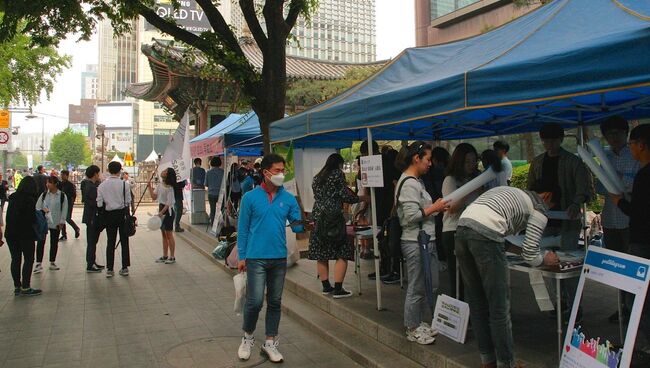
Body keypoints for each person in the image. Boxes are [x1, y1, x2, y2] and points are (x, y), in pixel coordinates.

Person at [456, 186, 559, 368]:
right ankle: (507, 363)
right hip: (486, 234)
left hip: (463, 228)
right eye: (551, 205)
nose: (548, 209)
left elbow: (499, 240)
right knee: (499, 308)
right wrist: (546, 258)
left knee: (478, 304)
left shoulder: (511, 193)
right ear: (547, 195)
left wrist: (520, 250)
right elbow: (531, 255)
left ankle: (487, 362)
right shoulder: (539, 208)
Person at [237, 154, 306, 363]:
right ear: (265, 172)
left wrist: (304, 223)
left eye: (282, 170)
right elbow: (243, 229)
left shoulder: (288, 198)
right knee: (255, 301)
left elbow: (297, 226)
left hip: (278, 258)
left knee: (275, 301)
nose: (281, 174)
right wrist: (242, 256)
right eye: (277, 171)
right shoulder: (250, 198)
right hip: (255, 257)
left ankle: (270, 342)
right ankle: (247, 337)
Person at [527, 122, 592, 313]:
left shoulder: (573, 161)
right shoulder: (538, 162)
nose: (549, 144)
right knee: (548, 264)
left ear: (561, 139)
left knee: (568, 265)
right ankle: (559, 303)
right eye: (546, 140)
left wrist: (575, 203)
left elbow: (583, 188)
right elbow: (530, 189)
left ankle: (575, 307)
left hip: (567, 221)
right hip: (545, 221)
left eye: (553, 140)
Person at [395, 141, 449, 345]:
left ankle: (418, 322)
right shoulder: (409, 183)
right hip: (416, 242)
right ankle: (412, 326)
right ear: (416, 158)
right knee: (417, 286)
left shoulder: (416, 181)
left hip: (425, 240)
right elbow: (411, 216)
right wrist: (434, 207)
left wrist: (436, 208)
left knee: (431, 283)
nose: (430, 164)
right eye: (428, 159)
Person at [596, 116, 639, 323]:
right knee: (617, 267)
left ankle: (636, 308)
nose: (613, 137)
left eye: (617, 133)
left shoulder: (635, 156)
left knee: (633, 266)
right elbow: (598, 187)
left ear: (626, 133)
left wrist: (621, 184)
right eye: (609, 134)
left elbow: (636, 186)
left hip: (630, 220)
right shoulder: (604, 156)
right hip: (610, 219)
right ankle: (623, 307)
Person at [611, 124, 650, 350]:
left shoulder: (644, 175)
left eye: (632, 144)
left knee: (639, 298)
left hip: (643, 242)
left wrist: (620, 202)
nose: (631, 149)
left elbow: (639, 212)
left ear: (641, 145)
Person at [309, 153, 363, 298]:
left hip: (318, 216)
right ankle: (338, 289)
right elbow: (344, 195)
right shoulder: (337, 174)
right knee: (342, 250)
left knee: (321, 251)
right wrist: (360, 198)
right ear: (339, 164)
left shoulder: (317, 177)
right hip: (333, 216)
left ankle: (326, 286)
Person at [441, 143, 480, 299]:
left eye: (474, 161)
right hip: (453, 231)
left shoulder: (476, 179)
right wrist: (470, 189)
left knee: (472, 275)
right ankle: (459, 312)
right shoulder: (450, 180)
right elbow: (450, 208)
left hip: (472, 230)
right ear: (459, 162)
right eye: (467, 162)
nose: (471, 165)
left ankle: (473, 311)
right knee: (457, 276)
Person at [5, 176, 42, 296]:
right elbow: (30, 219)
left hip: (10, 234)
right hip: (25, 234)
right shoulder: (29, 200)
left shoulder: (13, 197)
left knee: (15, 259)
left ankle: (17, 286)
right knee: (29, 259)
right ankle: (26, 286)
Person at [97, 161, 132, 278]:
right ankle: (125, 267)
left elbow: (99, 203)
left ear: (108, 170)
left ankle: (110, 269)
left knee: (110, 242)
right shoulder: (124, 184)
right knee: (124, 241)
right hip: (122, 215)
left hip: (109, 215)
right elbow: (128, 201)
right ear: (119, 170)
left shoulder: (102, 186)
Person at [34, 176, 68, 273]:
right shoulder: (44, 195)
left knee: (54, 242)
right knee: (41, 242)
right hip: (44, 223)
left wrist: (62, 221)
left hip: (56, 222)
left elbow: (64, 209)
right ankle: (38, 263)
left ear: (55, 184)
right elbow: (37, 207)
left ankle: (52, 262)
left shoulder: (62, 196)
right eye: (47, 183)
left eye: (50, 182)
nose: (47, 184)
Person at [148, 168, 177, 264]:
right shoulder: (160, 185)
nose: (163, 172)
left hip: (168, 212)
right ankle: (165, 255)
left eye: (165, 171)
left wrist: (161, 213)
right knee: (163, 235)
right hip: (161, 209)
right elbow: (154, 197)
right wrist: (149, 187)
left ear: (167, 175)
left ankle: (172, 256)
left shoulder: (170, 188)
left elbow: (169, 203)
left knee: (169, 234)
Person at [82, 165, 105, 273]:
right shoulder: (90, 187)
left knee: (93, 241)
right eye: (98, 173)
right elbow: (94, 202)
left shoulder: (89, 185)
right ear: (95, 174)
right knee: (91, 241)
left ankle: (92, 262)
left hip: (90, 217)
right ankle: (90, 264)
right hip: (92, 217)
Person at [58, 170, 81, 240]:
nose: (61, 176)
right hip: (61, 203)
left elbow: (73, 195)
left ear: (67, 176)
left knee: (68, 218)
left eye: (63, 175)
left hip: (68, 204)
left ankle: (76, 228)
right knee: (61, 219)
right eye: (61, 174)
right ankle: (64, 234)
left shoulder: (70, 185)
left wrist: (71, 202)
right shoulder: (60, 184)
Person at [205, 156, 224, 225]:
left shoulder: (208, 172)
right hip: (220, 194)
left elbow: (206, 184)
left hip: (211, 193)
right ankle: (226, 224)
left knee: (212, 210)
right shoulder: (223, 172)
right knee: (222, 209)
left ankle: (213, 224)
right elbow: (225, 183)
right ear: (220, 163)